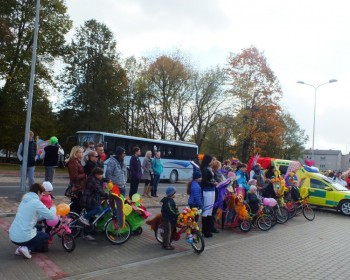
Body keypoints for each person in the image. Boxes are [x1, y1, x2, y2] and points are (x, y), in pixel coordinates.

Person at [9, 183, 56, 259]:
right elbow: (51, 216)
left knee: (39, 227)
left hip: (13, 236)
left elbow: (33, 217)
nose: (42, 196)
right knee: (45, 236)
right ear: (38, 192)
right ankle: (27, 248)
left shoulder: (24, 200)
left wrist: (43, 216)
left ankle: (20, 248)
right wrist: (53, 208)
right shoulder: (36, 202)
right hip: (22, 236)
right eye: (42, 193)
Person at [66, 146, 87, 213]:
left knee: (78, 205)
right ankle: (72, 220)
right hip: (76, 187)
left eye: (82, 152)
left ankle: (73, 219)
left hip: (79, 186)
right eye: (80, 152)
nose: (82, 154)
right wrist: (85, 174)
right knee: (76, 206)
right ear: (75, 153)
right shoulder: (73, 162)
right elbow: (74, 176)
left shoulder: (77, 161)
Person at [200, 154, 216, 238]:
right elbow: (204, 181)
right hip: (207, 190)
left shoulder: (209, 168)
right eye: (212, 160)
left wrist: (215, 182)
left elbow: (211, 179)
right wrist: (212, 183)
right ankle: (205, 230)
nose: (213, 161)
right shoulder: (205, 169)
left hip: (212, 189)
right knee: (206, 210)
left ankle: (208, 229)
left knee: (210, 210)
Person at [160, 186, 179, 250]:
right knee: (168, 232)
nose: (175, 194)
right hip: (168, 219)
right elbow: (171, 211)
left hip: (171, 219)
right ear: (171, 194)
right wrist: (177, 213)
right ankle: (166, 245)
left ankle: (168, 242)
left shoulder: (171, 200)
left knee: (170, 231)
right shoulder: (168, 202)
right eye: (174, 193)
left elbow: (173, 208)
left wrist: (176, 208)